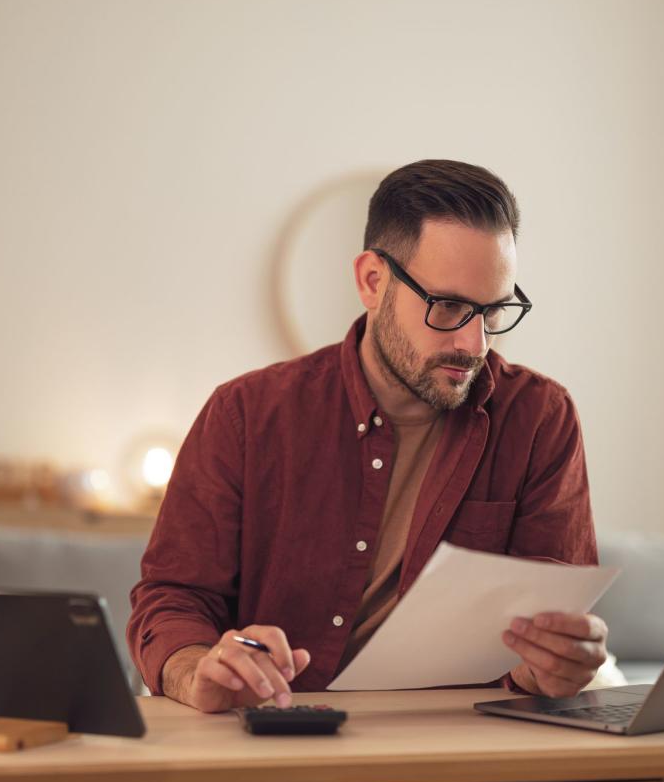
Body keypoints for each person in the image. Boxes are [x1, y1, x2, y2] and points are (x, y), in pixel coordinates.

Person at [128, 159, 607, 715]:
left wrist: (552, 664)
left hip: (452, 755)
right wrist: (195, 670)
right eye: (449, 307)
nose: (476, 345)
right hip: (270, 741)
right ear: (373, 281)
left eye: (493, 312)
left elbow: (550, 627)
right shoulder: (245, 415)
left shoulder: (538, 419)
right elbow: (172, 598)